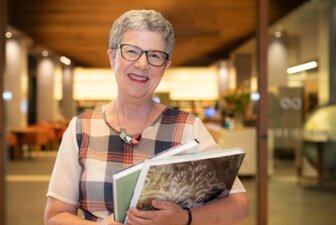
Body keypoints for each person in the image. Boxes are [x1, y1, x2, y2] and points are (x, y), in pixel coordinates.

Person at [44, 9, 249, 225]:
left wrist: (185, 218)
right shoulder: (81, 128)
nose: (143, 64)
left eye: (154, 55)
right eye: (131, 51)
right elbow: (55, 217)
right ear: (112, 57)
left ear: (165, 66)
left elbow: (239, 205)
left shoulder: (188, 128)